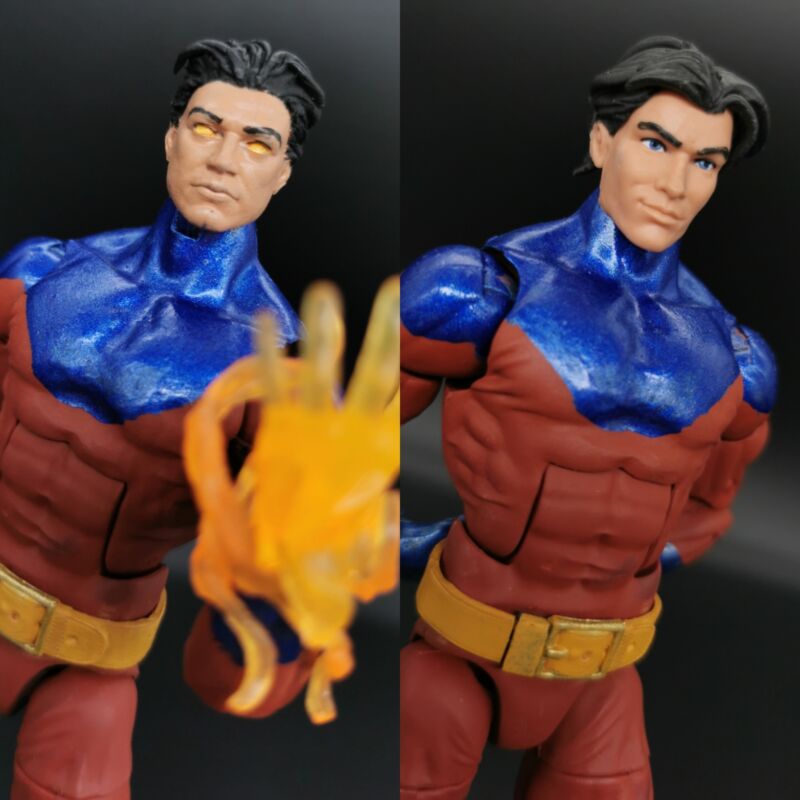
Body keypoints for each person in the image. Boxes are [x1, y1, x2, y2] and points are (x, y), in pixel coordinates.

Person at [400, 36, 776, 799]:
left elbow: (711, 508)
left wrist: (641, 560)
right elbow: (340, 446)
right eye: (656, 143)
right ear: (603, 141)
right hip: (459, 651)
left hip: (604, 679)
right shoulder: (479, 291)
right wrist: (399, 544)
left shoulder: (737, 358)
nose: (676, 183)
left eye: (705, 162)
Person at [0, 39, 323, 800]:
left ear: (281, 173)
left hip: (91, 654)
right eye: (206, 128)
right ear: (172, 137)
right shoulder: (42, 270)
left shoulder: (277, 375)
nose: (223, 159)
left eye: (257, 143)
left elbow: (247, 657)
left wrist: (283, 598)